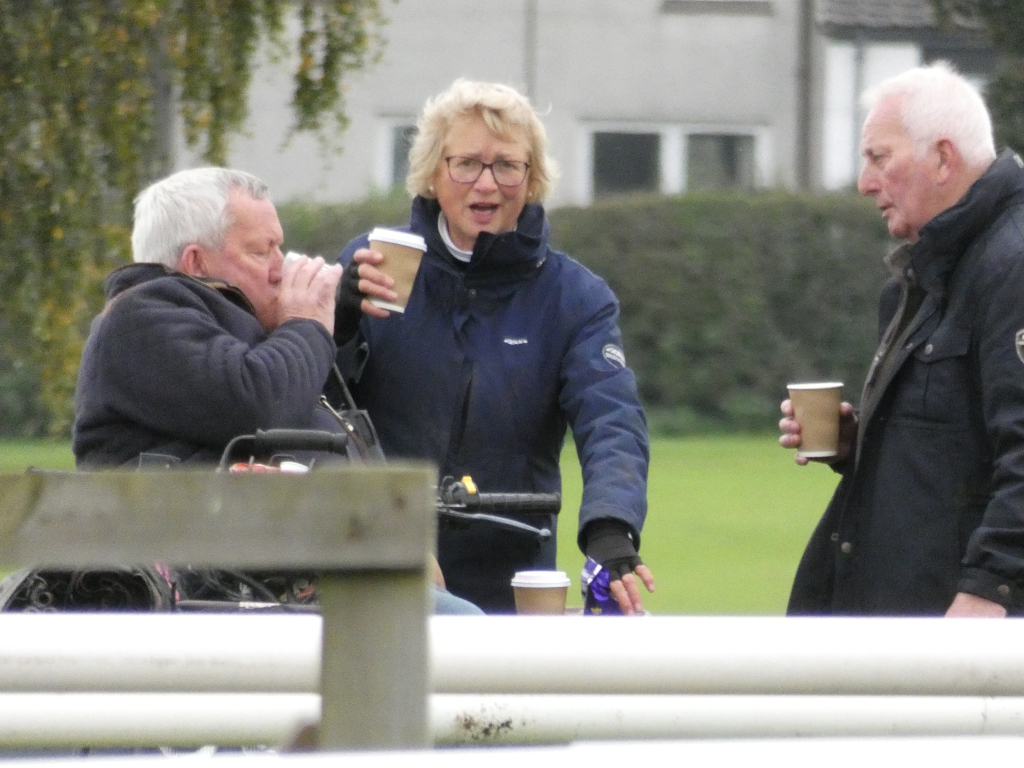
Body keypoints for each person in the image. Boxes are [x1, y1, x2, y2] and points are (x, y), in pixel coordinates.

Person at [72, 166, 481, 615]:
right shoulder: (142, 318)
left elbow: (281, 395)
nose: (280, 268)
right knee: (469, 632)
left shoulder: (230, 327)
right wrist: (306, 321)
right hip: (227, 598)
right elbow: (259, 403)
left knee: (469, 631)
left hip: (282, 582)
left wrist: (336, 318)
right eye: (261, 251)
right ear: (196, 263)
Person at [331, 79, 656, 614]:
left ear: (531, 181)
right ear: (434, 173)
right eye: (467, 164)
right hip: (380, 562)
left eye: (507, 166)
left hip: (516, 571)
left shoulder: (576, 298)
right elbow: (315, 400)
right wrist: (338, 324)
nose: (487, 184)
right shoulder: (374, 265)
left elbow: (612, 419)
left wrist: (610, 528)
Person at [779, 62, 1024, 617]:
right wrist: (863, 445)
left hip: (963, 635)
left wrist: (991, 588)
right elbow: (960, 445)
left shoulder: (1011, 266)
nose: (865, 183)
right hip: (905, 626)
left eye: (878, 158)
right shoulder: (927, 275)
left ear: (942, 157)